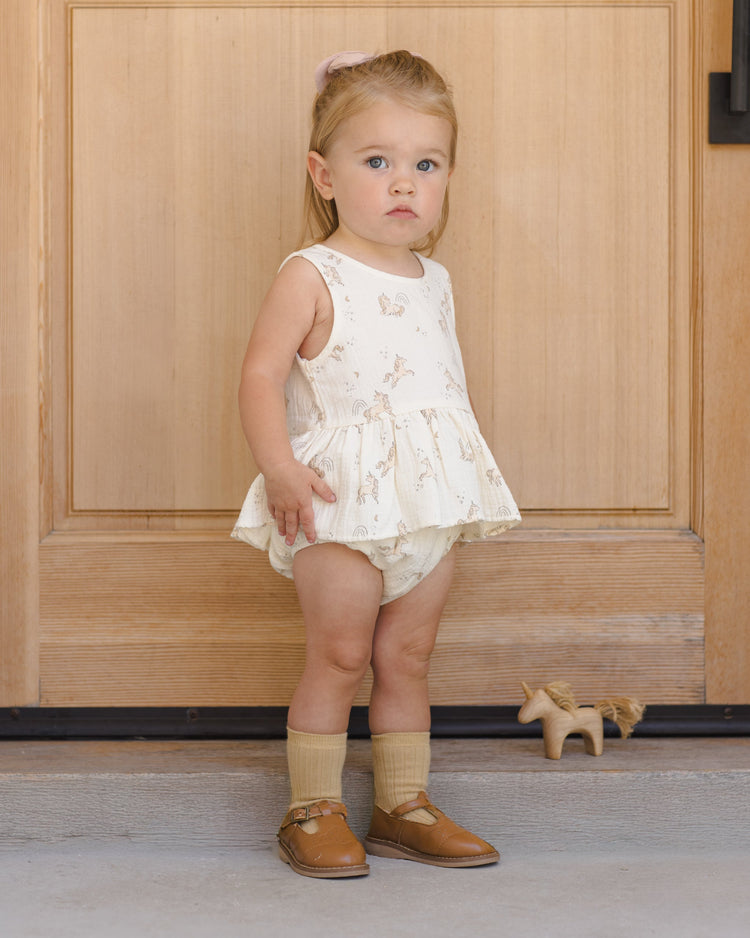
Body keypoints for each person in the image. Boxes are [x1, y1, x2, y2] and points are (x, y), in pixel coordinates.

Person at [233, 50, 521, 879]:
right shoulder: (312, 273)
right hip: (339, 502)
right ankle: (312, 808)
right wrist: (279, 467)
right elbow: (259, 376)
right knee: (340, 656)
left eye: (426, 165)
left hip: (427, 505)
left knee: (408, 658)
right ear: (324, 175)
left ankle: (403, 804)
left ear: (447, 177)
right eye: (377, 162)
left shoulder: (436, 279)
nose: (404, 183)